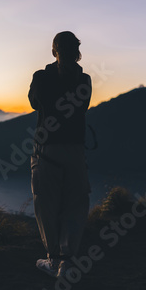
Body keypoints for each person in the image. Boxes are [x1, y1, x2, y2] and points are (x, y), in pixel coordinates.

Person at [28, 31, 92, 278]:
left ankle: (53, 260)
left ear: (54, 51)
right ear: (77, 52)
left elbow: (35, 102)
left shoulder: (41, 77)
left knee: (47, 203)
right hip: (75, 149)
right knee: (75, 203)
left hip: (46, 150)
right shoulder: (84, 79)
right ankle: (67, 262)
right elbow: (82, 107)